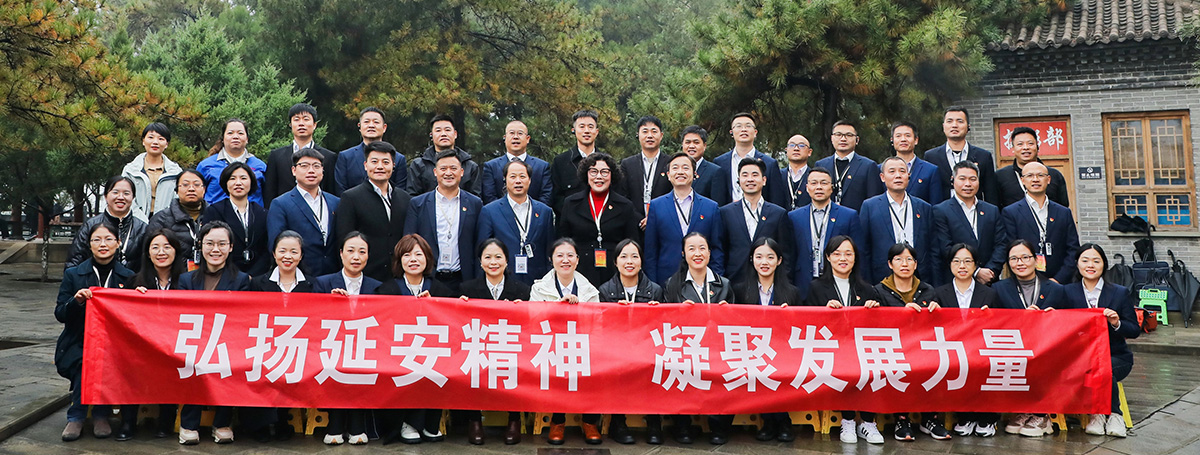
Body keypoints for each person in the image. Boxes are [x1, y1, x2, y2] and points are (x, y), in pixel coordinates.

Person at [56, 221, 135, 442]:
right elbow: (60, 313)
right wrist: (76, 302)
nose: (103, 244)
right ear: (89, 245)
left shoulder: (128, 277)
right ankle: (78, 417)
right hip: (78, 341)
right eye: (97, 240)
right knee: (86, 360)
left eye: (109, 239)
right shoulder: (73, 274)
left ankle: (100, 414)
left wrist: (139, 296)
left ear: (118, 243)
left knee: (106, 359)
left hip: (115, 344)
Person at [803, 235, 884, 444]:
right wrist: (824, 311)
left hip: (860, 348)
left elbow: (877, 326)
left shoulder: (867, 289)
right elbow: (808, 321)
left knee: (872, 365)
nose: (843, 258)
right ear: (828, 257)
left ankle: (868, 422)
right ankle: (847, 420)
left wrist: (875, 309)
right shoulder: (816, 287)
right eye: (837, 254)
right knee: (846, 367)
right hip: (830, 349)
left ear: (855, 258)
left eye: (848, 254)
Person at [177, 221, 251, 445]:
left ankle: (222, 422)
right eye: (209, 243)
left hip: (228, 341)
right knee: (193, 363)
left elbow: (243, 316)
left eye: (222, 244)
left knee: (229, 365)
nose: (215, 249)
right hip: (194, 341)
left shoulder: (241, 280)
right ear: (201, 246)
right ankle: (189, 423)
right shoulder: (186, 279)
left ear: (231, 247)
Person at [376, 234, 453, 444]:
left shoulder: (441, 290)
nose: (413, 260)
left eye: (418, 254)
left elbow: (451, 320)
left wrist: (435, 306)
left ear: (427, 258)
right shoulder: (388, 289)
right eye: (407, 255)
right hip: (398, 352)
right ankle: (406, 423)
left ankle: (430, 423)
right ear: (399, 260)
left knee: (439, 368)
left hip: (432, 351)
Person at [311, 232, 382, 445]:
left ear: (368, 256)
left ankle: (357, 426)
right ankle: (335, 424)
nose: (356, 256)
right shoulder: (323, 283)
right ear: (341, 254)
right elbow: (313, 317)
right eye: (350, 251)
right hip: (331, 345)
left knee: (361, 366)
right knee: (335, 365)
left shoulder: (377, 287)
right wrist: (330, 304)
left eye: (362, 252)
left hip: (366, 347)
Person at [871, 243, 947, 442]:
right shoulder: (878, 291)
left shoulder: (928, 290)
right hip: (893, 349)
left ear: (915, 264)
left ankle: (930, 419)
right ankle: (901, 419)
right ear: (890, 264)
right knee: (897, 366)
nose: (904, 264)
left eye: (909, 260)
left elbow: (938, 327)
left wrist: (937, 312)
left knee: (938, 364)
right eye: (898, 259)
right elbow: (875, 325)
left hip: (923, 348)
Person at [457, 239, 529, 445]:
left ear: (507, 261)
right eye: (487, 257)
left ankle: (514, 419)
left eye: (498, 257)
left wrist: (522, 310)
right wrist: (460, 307)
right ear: (480, 262)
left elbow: (528, 326)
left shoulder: (522, 290)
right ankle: (474, 420)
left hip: (510, 348)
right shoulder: (467, 289)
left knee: (516, 366)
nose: (493, 262)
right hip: (480, 347)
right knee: (470, 366)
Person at [531, 238, 602, 445]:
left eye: (570, 255)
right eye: (560, 255)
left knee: (594, 369)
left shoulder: (589, 290)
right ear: (551, 259)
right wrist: (557, 307)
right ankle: (558, 421)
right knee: (556, 369)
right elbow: (533, 319)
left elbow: (597, 323)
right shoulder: (539, 288)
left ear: (577, 260)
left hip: (582, 345)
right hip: (550, 345)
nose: (565, 260)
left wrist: (579, 310)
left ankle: (590, 422)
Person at [662, 232, 732, 444]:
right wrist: (678, 313)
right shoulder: (673, 284)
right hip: (686, 347)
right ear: (683, 254)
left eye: (702, 248)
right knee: (678, 369)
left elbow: (735, 324)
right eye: (691, 249)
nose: (697, 253)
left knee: (725, 371)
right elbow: (665, 322)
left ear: (709, 253)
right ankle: (682, 425)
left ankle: (718, 426)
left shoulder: (724, 284)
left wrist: (727, 313)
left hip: (717, 347)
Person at [595, 239, 667, 445]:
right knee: (616, 367)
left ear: (641, 261)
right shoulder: (605, 290)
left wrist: (655, 314)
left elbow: (662, 329)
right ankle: (618, 424)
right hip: (616, 350)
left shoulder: (655, 290)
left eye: (635, 256)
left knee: (656, 366)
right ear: (615, 262)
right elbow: (601, 328)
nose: (629, 261)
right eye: (624, 257)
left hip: (647, 348)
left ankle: (654, 423)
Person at [730, 237, 802, 442]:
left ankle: (783, 420)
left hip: (783, 351)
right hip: (751, 351)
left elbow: (800, 328)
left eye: (770, 257)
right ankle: (768, 421)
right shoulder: (740, 290)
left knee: (781, 370)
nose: (764, 262)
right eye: (759, 257)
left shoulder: (792, 292)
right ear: (751, 259)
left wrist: (790, 317)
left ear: (779, 261)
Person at [992, 239, 1064, 438]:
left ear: (1036, 259)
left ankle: (1042, 415)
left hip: (1047, 348)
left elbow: (1070, 320)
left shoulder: (1055, 289)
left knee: (1043, 362)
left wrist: (1053, 317)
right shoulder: (999, 289)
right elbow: (995, 320)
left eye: (1025, 257)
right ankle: (1024, 410)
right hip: (1014, 347)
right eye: (1014, 259)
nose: (1020, 263)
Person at [1064, 243, 1138, 438]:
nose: (1090, 265)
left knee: (1104, 368)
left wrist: (1116, 323)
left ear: (1104, 264)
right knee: (1096, 367)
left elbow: (1134, 330)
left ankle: (1112, 415)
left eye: (1096, 261)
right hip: (1079, 359)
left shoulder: (1119, 292)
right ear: (1077, 264)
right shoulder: (1066, 292)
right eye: (1085, 260)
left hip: (1116, 357)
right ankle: (1100, 414)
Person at [930, 243, 999, 437]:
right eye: (957, 261)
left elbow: (1000, 325)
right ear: (950, 264)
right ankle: (966, 416)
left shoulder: (989, 293)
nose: (962, 266)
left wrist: (991, 317)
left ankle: (988, 418)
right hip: (952, 349)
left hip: (981, 349)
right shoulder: (938, 293)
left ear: (975, 265)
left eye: (968, 261)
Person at [128, 229, 187, 440]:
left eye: (167, 247)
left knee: (173, 365)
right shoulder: (134, 281)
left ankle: (166, 420)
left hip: (176, 344)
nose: (161, 252)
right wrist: (134, 299)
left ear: (176, 251)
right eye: (155, 247)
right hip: (143, 345)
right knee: (130, 364)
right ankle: (128, 421)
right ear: (147, 253)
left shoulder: (187, 282)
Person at [403, 150, 483, 294]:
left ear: (462, 172)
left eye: (453, 168)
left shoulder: (474, 203)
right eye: (443, 168)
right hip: (429, 278)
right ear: (435, 172)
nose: (448, 173)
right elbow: (409, 242)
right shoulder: (418, 204)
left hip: (463, 279)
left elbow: (479, 243)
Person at [557, 153, 640, 286]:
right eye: (593, 172)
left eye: (604, 172)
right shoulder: (571, 203)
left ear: (612, 175)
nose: (599, 176)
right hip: (580, 272)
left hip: (615, 273)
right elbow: (563, 241)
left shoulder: (625, 206)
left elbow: (632, 242)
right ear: (586, 174)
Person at [334, 141, 412, 282]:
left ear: (393, 166)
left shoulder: (405, 198)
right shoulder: (351, 197)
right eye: (374, 162)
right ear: (365, 165)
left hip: (399, 276)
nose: (380, 167)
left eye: (385, 162)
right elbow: (344, 239)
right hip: (365, 276)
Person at [645, 153, 723, 284]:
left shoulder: (710, 207)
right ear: (668, 175)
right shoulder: (656, 206)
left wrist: (716, 283)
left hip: (702, 280)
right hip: (666, 279)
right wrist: (653, 286)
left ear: (695, 174)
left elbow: (717, 250)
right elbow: (650, 252)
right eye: (675, 168)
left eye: (685, 168)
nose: (680, 172)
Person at [477, 158, 555, 285]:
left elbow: (549, 251)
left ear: (529, 180)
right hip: (503, 280)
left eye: (522, 176)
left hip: (537, 281)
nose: (518, 181)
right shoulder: (490, 211)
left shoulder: (544, 211)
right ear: (505, 180)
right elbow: (481, 251)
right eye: (513, 177)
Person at [858, 156, 935, 284]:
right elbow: (864, 249)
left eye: (902, 171)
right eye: (892, 171)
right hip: (882, 278)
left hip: (919, 277)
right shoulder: (870, 206)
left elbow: (932, 247)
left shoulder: (923, 207)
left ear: (908, 176)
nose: (898, 176)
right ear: (882, 177)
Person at [1001, 161, 1080, 283]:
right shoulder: (1011, 212)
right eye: (1030, 176)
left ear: (1048, 179)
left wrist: (1058, 279)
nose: (1035, 179)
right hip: (1026, 281)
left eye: (1040, 175)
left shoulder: (1063, 212)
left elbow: (1073, 249)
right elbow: (1011, 250)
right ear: (1022, 180)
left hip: (1060, 282)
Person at [267, 148, 340, 276]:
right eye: (304, 166)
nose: (311, 170)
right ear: (294, 170)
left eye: (316, 166)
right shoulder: (281, 204)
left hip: (332, 274)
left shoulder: (335, 202)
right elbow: (276, 244)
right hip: (300, 274)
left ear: (322, 171)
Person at [789, 168, 860, 299]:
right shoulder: (794, 217)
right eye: (814, 183)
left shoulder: (848, 215)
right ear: (807, 188)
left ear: (831, 188)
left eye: (824, 183)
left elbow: (858, 252)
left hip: (836, 282)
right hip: (803, 282)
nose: (819, 187)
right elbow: (790, 254)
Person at [932, 161, 1007, 285]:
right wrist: (976, 271)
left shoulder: (991, 210)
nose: (968, 184)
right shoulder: (941, 210)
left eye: (973, 179)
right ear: (953, 180)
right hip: (956, 280)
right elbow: (945, 247)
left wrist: (991, 270)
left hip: (989, 280)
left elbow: (1001, 244)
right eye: (962, 179)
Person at [718, 157, 791, 284]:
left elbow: (787, 254)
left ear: (764, 180)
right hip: (734, 281)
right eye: (745, 175)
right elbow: (720, 250)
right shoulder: (725, 212)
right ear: (738, 180)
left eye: (755, 175)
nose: (750, 179)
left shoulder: (778, 214)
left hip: (769, 283)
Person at [66, 176, 146, 272]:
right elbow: (74, 262)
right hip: (95, 280)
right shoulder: (90, 225)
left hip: (132, 281)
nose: (121, 197)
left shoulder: (142, 228)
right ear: (105, 196)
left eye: (126, 193)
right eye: (115, 192)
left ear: (133, 197)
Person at [922, 107, 1000, 203]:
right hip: (941, 210)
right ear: (943, 126)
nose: (954, 125)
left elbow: (991, 193)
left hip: (974, 209)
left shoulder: (983, 156)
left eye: (960, 121)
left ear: (968, 126)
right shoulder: (931, 156)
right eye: (949, 121)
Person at [203, 163, 269, 276]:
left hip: (257, 276)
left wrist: (253, 276)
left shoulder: (262, 213)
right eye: (232, 178)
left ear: (251, 182)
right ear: (226, 183)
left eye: (243, 178)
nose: (238, 183)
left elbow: (266, 249)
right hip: (225, 275)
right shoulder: (214, 211)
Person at [264, 103, 338, 204]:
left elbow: (331, 191)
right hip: (284, 210)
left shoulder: (329, 157)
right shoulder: (276, 156)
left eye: (306, 119)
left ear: (314, 125)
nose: (301, 123)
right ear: (290, 125)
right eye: (296, 119)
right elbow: (269, 191)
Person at [714, 113, 788, 206]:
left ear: (755, 132)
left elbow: (776, 199)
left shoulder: (770, 164)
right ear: (731, 132)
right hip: (728, 213)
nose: (743, 129)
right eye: (738, 126)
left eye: (748, 126)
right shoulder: (720, 162)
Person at [333, 106, 408, 194]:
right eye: (366, 122)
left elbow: (400, 193)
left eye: (376, 122)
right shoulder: (346, 157)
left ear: (384, 127)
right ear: (360, 126)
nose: (371, 125)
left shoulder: (398, 159)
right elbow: (340, 191)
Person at [814, 120, 884, 211]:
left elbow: (874, 201)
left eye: (849, 135)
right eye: (838, 134)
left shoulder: (868, 166)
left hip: (857, 218)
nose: (843, 139)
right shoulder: (821, 165)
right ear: (832, 138)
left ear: (857, 140)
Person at [407, 114, 482, 196]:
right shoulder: (418, 165)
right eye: (438, 130)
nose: (443, 134)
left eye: (447, 130)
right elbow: (412, 196)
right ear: (431, 135)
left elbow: (476, 198)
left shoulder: (470, 166)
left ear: (455, 134)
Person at [996, 126, 1070, 208]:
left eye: (1030, 143)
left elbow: (1063, 206)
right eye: (1020, 144)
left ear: (1037, 147)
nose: (1025, 148)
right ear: (1013, 148)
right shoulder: (1000, 176)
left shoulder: (1054, 175)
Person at [197, 118, 267, 205]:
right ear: (223, 138)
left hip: (252, 213)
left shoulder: (260, 166)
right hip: (215, 213)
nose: (235, 137)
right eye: (230, 133)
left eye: (240, 133)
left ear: (247, 139)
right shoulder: (206, 165)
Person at [481, 120, 552, 204]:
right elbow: (489, 197)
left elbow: (546, 197)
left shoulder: (542, 167)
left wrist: (530, 210)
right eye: (511, 133)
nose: (515, 137)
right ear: (505, 138)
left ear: (528, 139)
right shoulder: (491, 167)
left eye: (520, 133)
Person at [147, 169, 207, 266]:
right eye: (185, 185)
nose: (191, 189)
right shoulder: (161, 219)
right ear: (177, 190)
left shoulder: (215, 215)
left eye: (196, 185)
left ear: (204, 189)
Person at [123, 122, 183, 217]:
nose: (155, 142)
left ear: (166, 144)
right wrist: (140, 220)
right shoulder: (130, 170)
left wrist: (164, 219)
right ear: (143, 141)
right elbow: (125, 196)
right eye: (150, 137)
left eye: (161, 139)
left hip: (167, 221)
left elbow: (178, 199)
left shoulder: (175, 171)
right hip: (135, 220)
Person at [619, 115, 672, 218]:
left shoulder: (670, 163)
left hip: (664, 220)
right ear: (638, 135)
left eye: (654, 131)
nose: (650, 136)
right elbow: (623, 196)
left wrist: (655, 218)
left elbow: (673, 194)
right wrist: (639, 219)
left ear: (661, 135)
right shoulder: (627, 164)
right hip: (635, 221)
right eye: (645, 131)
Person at [550, 110, 600, 213]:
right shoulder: (560, 162)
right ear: (573, 130)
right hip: (569, 219)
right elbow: (556, 198)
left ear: (596, 131)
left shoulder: (606, 162)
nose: (586, 131)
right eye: (582, 126)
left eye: (590, 127)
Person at [891, 121, 943, 205]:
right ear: (892, 140)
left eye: (908, 135)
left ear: (916, 140)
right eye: (898, 136)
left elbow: (936, 205)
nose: (903, 139)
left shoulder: (931, 170)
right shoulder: (881, 169)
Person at [683, 125, 732, 206]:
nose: (691, 146)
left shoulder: (715, 172)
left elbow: (718, 205)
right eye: (687, 142)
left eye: (696, 142)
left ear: (704, 146)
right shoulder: (675, 170)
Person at [781, 134, 812, 210]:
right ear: (786, 151)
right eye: (792, 145)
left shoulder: (814, 176)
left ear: (809, 152)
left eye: (801, 145)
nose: (796, 148)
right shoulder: (778, 175)